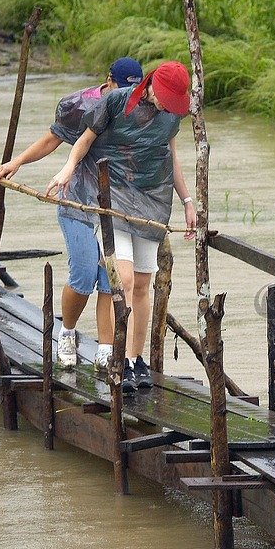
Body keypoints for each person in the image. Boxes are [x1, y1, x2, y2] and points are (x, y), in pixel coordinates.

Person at [49, 61, 196, 392]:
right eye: (166, 99)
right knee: (124, 279)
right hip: (113, 197)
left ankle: (134, 359)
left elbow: (171, 159)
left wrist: (188, 202)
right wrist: (68, 169)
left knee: (144, 284)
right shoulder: (116, 101)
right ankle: (119, 358)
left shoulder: (172, 117)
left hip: (153, 203)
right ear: (152, 86)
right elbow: (85, 140)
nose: (169, 107)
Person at [0, 58, 144, 370]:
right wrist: (16, 162)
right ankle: (68, 331)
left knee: (109, 279)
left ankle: (104, 348)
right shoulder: (79, 105)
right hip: (78, 201)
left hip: (116, 207)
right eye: (123, 89)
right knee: (85, 273)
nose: (127, 96)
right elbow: (53, 138)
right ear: (108, 81)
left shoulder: (140, 109)